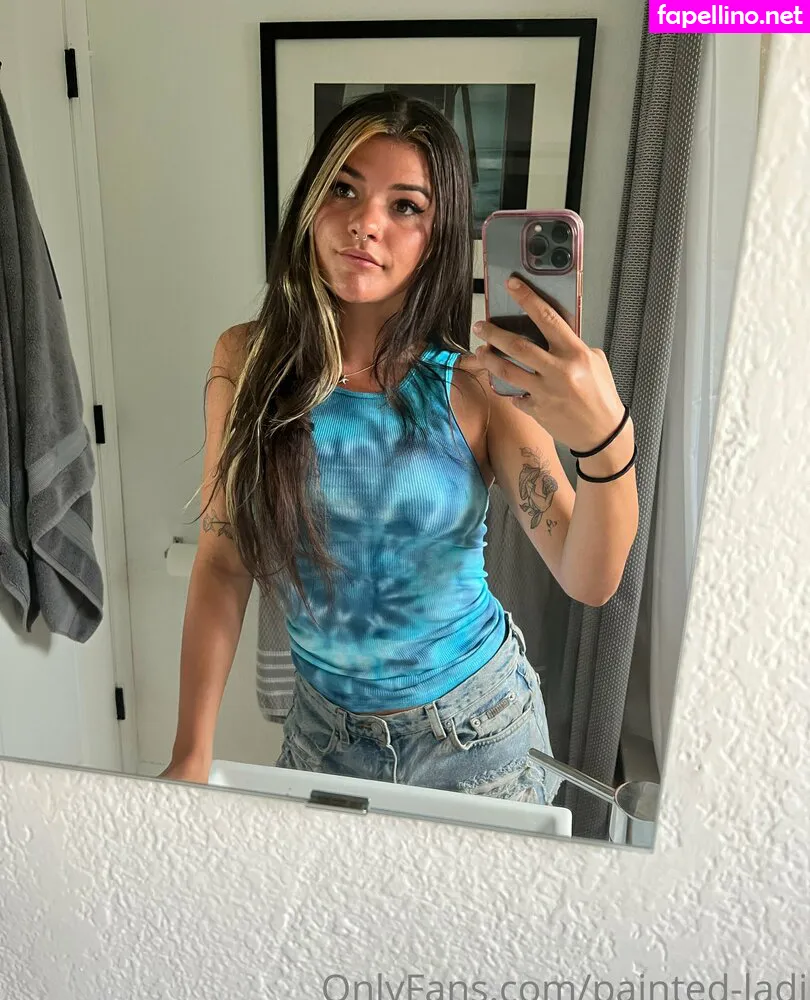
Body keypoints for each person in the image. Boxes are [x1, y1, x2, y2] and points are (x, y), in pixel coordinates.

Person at [160, 91, 638, 804]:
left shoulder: (474, 386)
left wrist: (606, 439)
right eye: (344, 189)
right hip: (324, 739)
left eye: (405, 206)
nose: (365, 222)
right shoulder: (246, 362)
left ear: (437, 236)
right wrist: (191, 751)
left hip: (478, 736)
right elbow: (223, 561)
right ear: (311, 202)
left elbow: (587, 577)